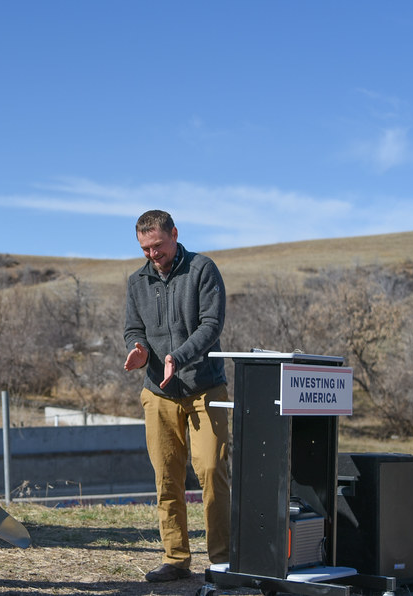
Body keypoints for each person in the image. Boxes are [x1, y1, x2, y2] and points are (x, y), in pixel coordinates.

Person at [122, 209, 230, 582]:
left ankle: (222, 560)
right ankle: (176, 558)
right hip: (158, 393)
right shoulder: (137, 282)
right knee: (166, 477)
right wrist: (138, 348)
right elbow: (133, 328)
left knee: (213, 471)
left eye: (158, 246)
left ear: (175, 235)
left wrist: (176, 356)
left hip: (205, 388)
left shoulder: (202, 270)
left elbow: (211, 325)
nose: (153, 254)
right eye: (145, 248)